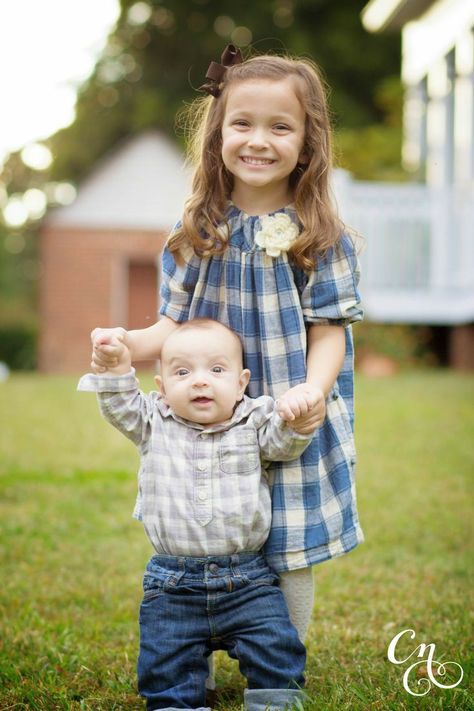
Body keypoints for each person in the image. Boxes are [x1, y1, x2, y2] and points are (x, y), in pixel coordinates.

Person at [91, 44, 364, 684]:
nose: (258, 141)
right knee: (207, 519)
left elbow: (330, 333)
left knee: (288, 537)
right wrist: (125, 346)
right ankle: (192, 656)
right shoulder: (195, 233)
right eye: (243, 124)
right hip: (208, 411)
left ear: (308, 141)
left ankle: (278, 663)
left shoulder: (323, 237)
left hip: (291, 406)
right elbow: (170, 326)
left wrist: (312, 392)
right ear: (218, 134)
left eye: (280, 126)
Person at [79, 318, 318, 711]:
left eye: (217, 370)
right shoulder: (153, 421)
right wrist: (117, 366)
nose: (200, 381)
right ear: (162, 387)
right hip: (172, 585)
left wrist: (299, 418)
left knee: (277, 649)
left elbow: (282, 444)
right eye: (182, 372)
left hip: (248, 580)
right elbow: (120, 405)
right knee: (164, 665)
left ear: (241, 383)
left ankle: (274, 701)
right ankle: (177, 702)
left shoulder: (254, 419)